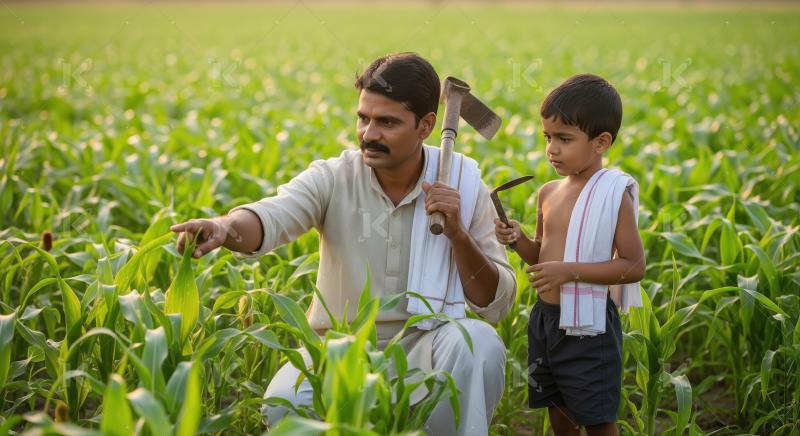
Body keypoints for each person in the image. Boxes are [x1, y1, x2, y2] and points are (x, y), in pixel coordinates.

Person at [171, 52, 516, 435]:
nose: (369, 134)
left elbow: (495, 304)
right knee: (285, 404)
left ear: (426, 125)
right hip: (338, 348)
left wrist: (457, 234)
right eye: (363, 118)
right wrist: (224, 227)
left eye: (387, 122)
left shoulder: (462, 184)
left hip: (428, 344)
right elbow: (272, 216)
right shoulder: (334, 177)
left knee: (479, 343)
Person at [494, 74, 646, 436]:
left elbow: (633, 266)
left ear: (601, 142)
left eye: (564, 139)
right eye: (547, 137)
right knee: (558, 411)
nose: (552, 149)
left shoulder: (612, 195)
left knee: (597, 417)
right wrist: (518, 239)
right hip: (545, 320)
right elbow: (541, 257)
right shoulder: (548, 193)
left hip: (588, 326)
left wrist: (570, 272)